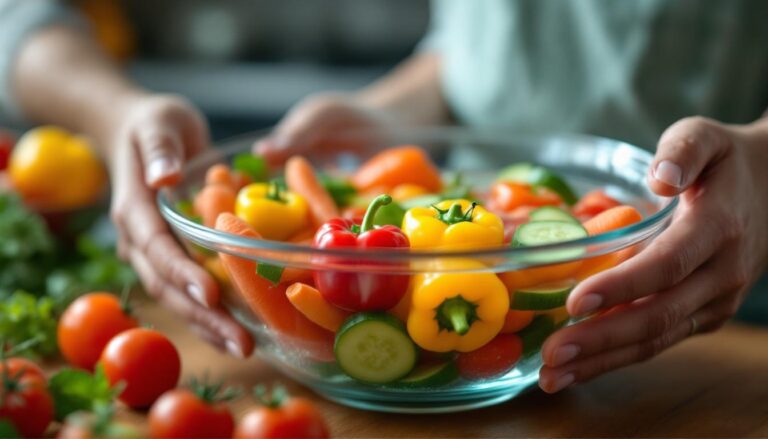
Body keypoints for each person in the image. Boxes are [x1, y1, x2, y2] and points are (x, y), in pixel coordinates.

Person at [2, 0, 767, 395]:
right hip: (474, 224)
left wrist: (763, 164)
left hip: (730, 315)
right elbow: (494, 44)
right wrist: (401, 113)